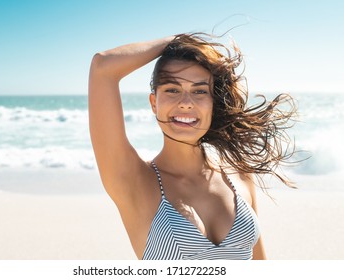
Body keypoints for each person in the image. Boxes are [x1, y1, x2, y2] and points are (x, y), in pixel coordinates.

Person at [88, 33, 296, 260]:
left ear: (213, 104)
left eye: (199, 91)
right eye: (172, 89)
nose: (186, 102)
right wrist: (179, 39)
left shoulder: (240, 175)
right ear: (154, 102)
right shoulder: (135, 182)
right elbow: (103, 67)